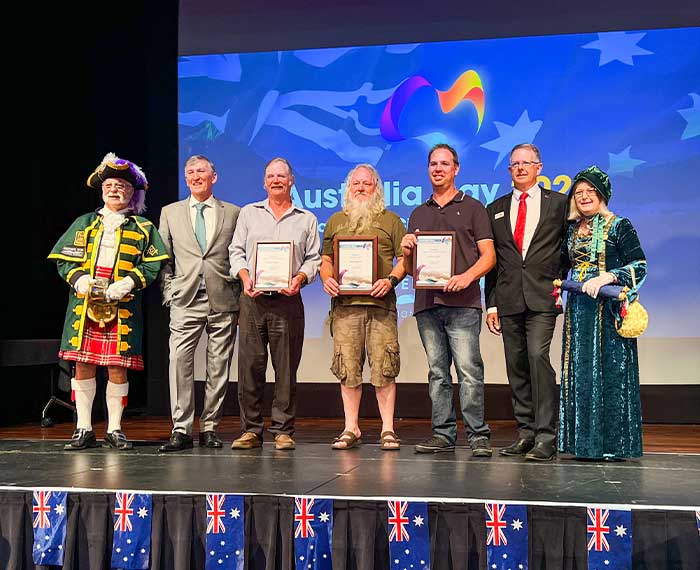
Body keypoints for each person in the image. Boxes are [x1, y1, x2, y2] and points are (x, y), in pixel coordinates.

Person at [48, 152, 169, 451]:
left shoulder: (144, 228)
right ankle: (83, 428)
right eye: (110, 185)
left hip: (123, 305)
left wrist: (129, 282)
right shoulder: (84, 223)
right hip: (85, 304)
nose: (115, 190)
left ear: (132, 193)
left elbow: (153, 265)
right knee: (83, 365)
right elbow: (64, 261)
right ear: (102, 190)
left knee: (118, 366)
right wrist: (79, 280)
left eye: (122, 186)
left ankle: (114, 429)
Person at [401, 143, 496, 456]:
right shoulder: (417, 212)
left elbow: (488, 256)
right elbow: (411, 265)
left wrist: (467, 277)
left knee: (469, 372)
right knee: (437, 373)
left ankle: (478, 436)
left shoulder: (473, 208)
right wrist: (406, 249)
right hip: (427, 305)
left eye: (444, 164)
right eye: (433, 164)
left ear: (456, 169)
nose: (437, 169)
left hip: (463, 303)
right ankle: (442, 434)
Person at [228, 157, 321, 451]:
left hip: (288, 301)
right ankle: (251, 430)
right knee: (250, 369)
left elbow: (314, 259)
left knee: (286, 370)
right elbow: (236, 251)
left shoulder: (306, 218)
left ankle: (282, 430)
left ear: (291, 180)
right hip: (252, 300)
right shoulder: (248, 213)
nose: (276, 180)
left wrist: (300, 278)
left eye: (281, 176)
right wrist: (244, 277)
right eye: (271, 176)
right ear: (264, 181)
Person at [484, 143, 568, 461]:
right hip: (507, 299)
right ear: (509, 170)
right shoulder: (496, 208)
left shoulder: (559, 204)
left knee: (537, 357)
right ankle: (526, 433)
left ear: (539, 167)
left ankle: (547, 436)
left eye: (526, 163)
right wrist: (491, 303)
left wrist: (562, 280)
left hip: (544, 296)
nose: (520, 168)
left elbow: (570, 250)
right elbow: (494, 261)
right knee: (516, 366)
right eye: (514, 164)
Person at [558, 166, 646, 460]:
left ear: (602, 195)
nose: (583, 197)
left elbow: (640, 265)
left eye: (590, 191)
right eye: (578, 192)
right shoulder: (571, 229)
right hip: (580, 313)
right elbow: (561, 265)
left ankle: (612, 445)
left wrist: (608, 276)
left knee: (610, 374)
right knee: (580, 373)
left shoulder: (620, 225)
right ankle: (583, 445)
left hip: (608, 313)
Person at [157, 155, 242, 452]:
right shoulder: (170, 212)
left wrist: (241, 298)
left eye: (201, 171)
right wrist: (169, 293)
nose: (195, 176)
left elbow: (239, 255)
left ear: (213, 177)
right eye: (190, 172)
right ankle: (181, 429)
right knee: (179, 362)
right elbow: (164, 258)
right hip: (185, 298)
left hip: (223, 297)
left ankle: (210, 428)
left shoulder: (233, 212)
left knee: (219, 366)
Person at [320, 164, 406, 451]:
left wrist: (391, 280)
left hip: (381, 306)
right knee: (348, 369)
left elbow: (406, 259)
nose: (360, 188)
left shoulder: (391, 220)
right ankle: (351, 427)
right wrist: (327, 279)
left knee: (384, 368)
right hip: (345, 308)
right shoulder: (335, 221)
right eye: (355, 183)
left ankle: (388, 429)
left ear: (376, 188)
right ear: (348, 188)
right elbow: (326, 259)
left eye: (366, 184)